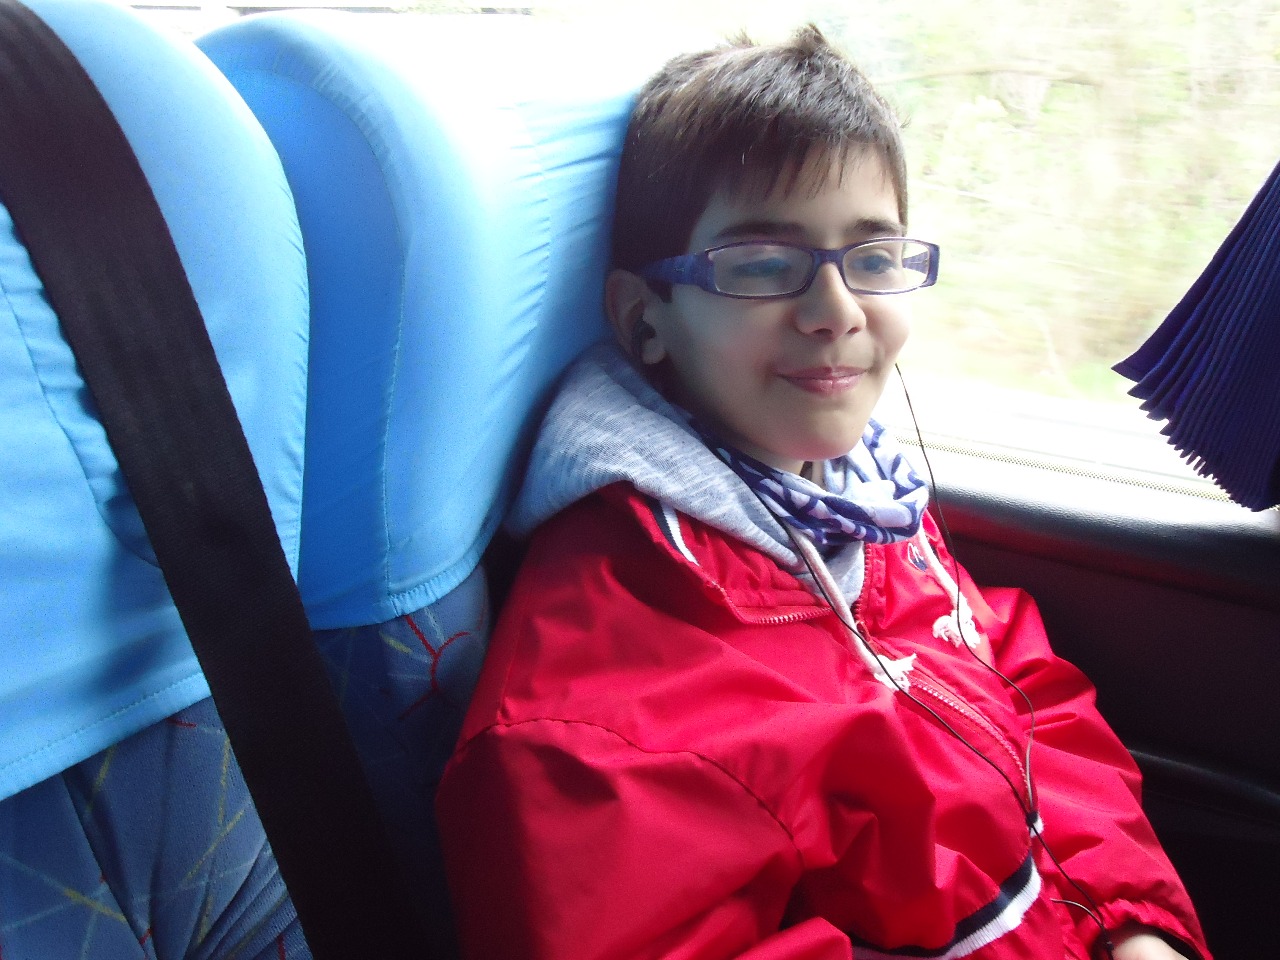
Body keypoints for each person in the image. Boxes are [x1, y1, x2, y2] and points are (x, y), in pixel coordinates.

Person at [435, 25, 1210, 960]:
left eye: (873, 257)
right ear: (646, 320)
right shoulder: (597, 723)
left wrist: (1131, 921)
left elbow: (1016, 686)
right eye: (763, 264)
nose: (838, 310)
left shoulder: (857, 502)